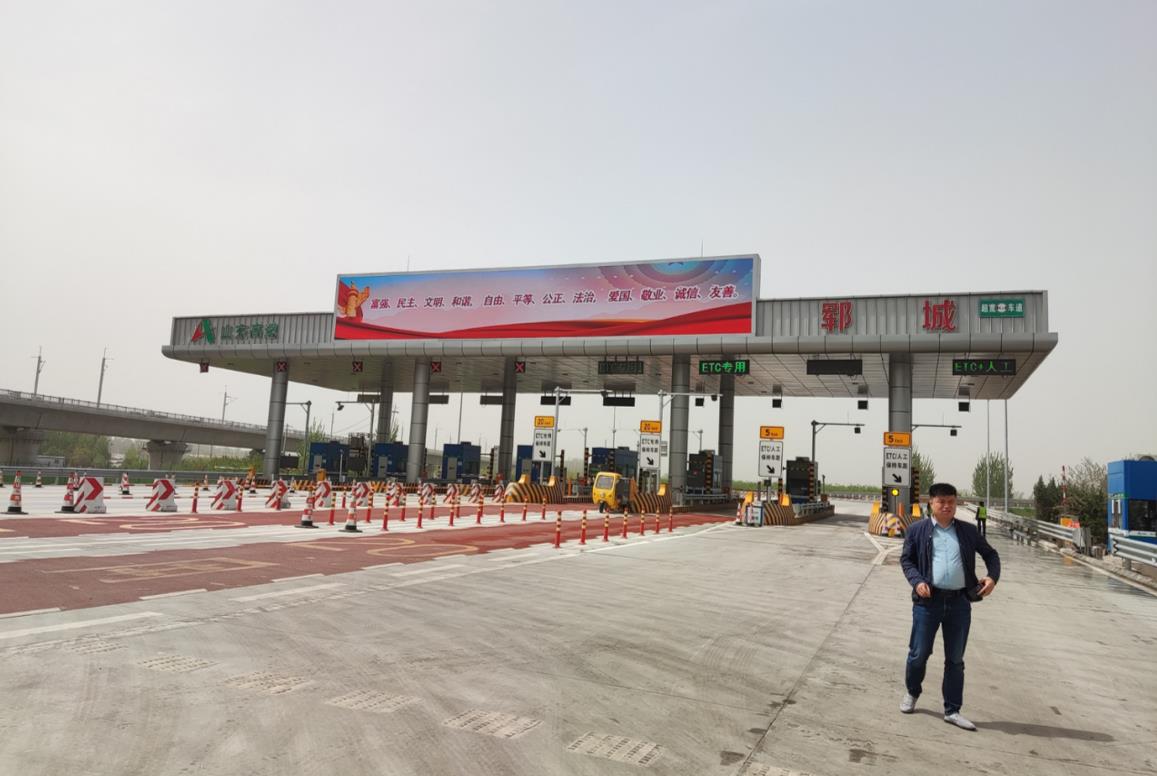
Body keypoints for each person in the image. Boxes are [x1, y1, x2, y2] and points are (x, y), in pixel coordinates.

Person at [900, 482, 1001, 730]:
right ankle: (912, 692)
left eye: (951, 502)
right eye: (942, 502)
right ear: (931, 504)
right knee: (919, 654)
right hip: (928, 603)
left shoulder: (968, 531)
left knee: (955, 659)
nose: (947, 506)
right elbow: (907, 560)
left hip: (959, 603)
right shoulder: (917, 530)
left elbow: (991, 555)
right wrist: (917, 581)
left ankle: (952, 710)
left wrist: (992, 577)